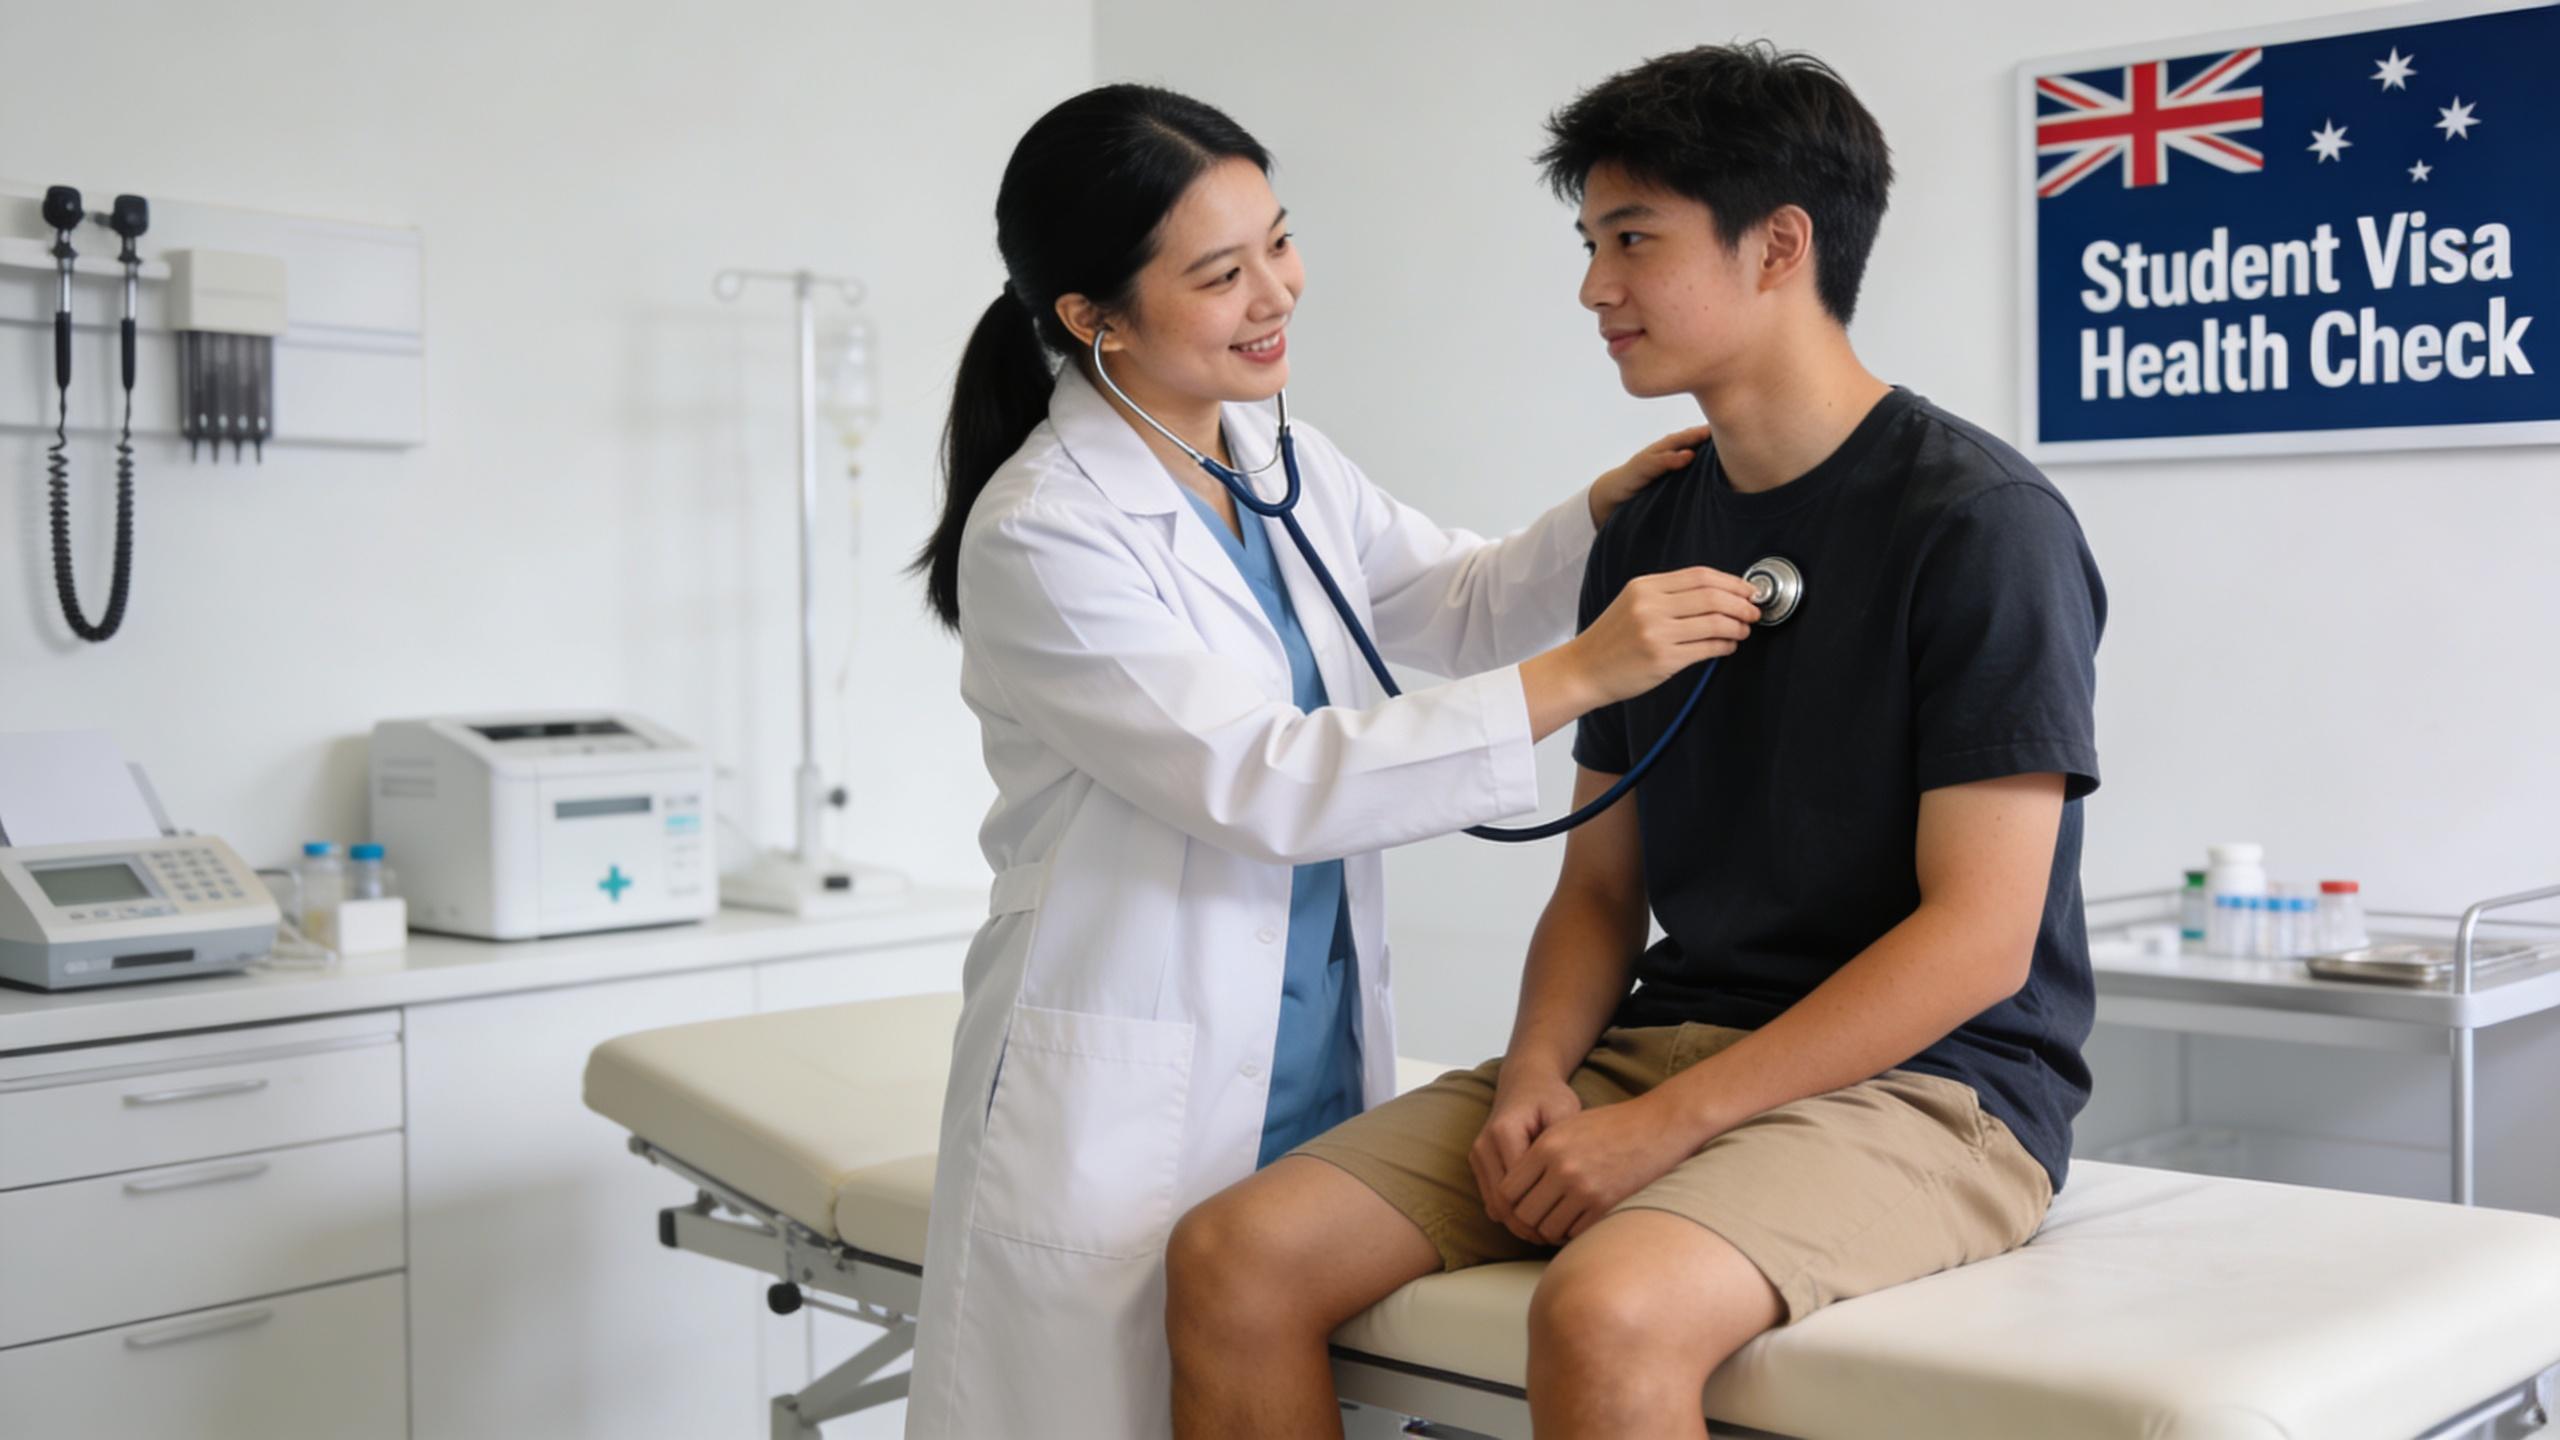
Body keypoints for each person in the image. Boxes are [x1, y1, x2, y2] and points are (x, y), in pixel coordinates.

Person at [1166, 43, 2108, 1440]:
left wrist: (1666, 1127)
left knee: (1606, 1308)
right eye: (1591, 244)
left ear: (1778, 246)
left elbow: (1978, 940)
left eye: (1632, 240)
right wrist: (1536, 1079)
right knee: (1235, 1258)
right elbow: (1602, 886)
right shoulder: (1654, 526)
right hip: (1661, 1043)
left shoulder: (1978, 526)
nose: (1596, 288)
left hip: (1934, 1086)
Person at [902, 82, 1752, 1439]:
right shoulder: (1045, 531)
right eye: (1219, 274)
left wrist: (1604, 513)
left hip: (1311, 1066)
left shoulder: (1269, 452)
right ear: (1094, 316)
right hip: (1127, 1102)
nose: (1275, 293)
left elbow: (1453, 602)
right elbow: (1266, 780)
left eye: (1279, 243)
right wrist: (1587, 672)